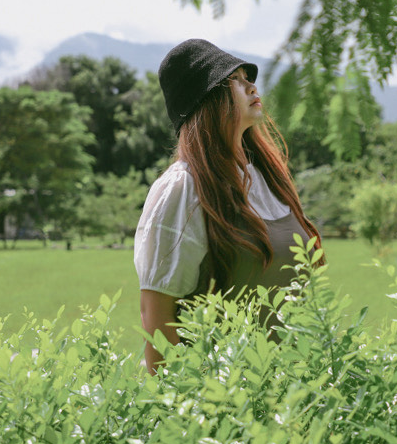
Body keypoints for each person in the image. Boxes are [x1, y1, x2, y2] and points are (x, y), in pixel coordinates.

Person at [133, 39, 324, 374]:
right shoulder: (183, 188)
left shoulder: (267, 177)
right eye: (234, 79)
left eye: (246, 76)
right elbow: (157, 318)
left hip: (294, 397)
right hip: (224, 406)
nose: (251, 84)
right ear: (207, 101)